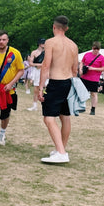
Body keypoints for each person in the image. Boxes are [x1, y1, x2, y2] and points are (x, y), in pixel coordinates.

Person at [38, 15, 79, 164]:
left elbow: (46, 65)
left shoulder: (50, 42)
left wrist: (41, 87)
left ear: (54, 27)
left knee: (49, 118)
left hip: (56, 82)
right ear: (66, 28)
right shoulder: (73, 45)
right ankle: (61, 148)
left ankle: (61, 152)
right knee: (65, 117)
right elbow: (75, 69)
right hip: (69, 82)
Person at [0, 30, 24, 148]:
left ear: (7, 40)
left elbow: (21, 70)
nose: (1, 42)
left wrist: (11, 83)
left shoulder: (15, 53)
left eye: (4, 40)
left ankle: (2, 133)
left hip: (8, 90)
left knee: (5, 115)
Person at [80, 42, 104, 115]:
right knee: (81, 92)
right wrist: (80, 69)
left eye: (97, 49)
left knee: (93, 94)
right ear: (92, 48)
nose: (96, 50)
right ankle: (81, 107)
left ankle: (93, 109)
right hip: (84, 77)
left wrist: (93, 68)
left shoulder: (102, 58)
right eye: (94, 48)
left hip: (94, 79)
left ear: (99, 49)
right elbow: (82, 62)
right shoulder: (87, 54)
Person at [26, 39, 46, 111]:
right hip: (37, 71)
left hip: (45, 71)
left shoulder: (47, 52)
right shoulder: (34, 52)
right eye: (44, 43)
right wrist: (40, 64)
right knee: (36, 89)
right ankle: (34, 106)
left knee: (45, 89)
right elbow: (31, 63)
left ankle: (45, 105)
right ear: (40, 44)